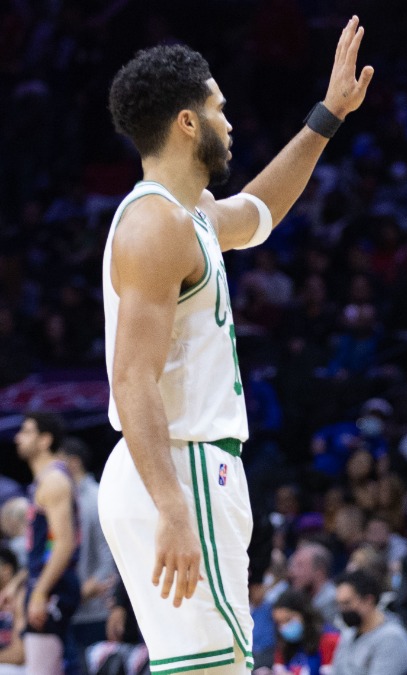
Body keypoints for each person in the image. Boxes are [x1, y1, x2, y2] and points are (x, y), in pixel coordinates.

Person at [97, 19, 373, 673]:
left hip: (181, 465)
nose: (230, 121)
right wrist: (173, 506)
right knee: (219, 666)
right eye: (219, 108)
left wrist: (328, 115)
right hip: (180, 464)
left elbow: (260, 210)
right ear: (187, 122)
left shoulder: (189, 215)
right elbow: (131, 378)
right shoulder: (155, 225)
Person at [15, 412, 79, 674]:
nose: (18, 438)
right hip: (45, 583)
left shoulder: (54, 481)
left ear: (45, 440)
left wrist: (40, 592)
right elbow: (44, 545)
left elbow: (63, 544)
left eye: (26, 431)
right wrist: (19, 582)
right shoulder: (45, 479)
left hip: (54, 587)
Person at [58, 437, 116, 675]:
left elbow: (110, 552)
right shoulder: (65, 499)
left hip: (96, 609)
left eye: (59, 462)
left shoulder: (96, 497)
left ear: (74, 462)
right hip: (71, 609)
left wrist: (90, 587)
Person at [329, 571, 407, 675]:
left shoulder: (392, 638)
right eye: (339, 604)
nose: (342, 610)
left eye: (347, 603)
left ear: (368, 600)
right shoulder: (348, 633)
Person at [270, 588, 339, 674]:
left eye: (288, 619)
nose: (284, 627)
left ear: (304, 614)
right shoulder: (283, 644)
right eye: (279, 622)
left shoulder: (329, 639)